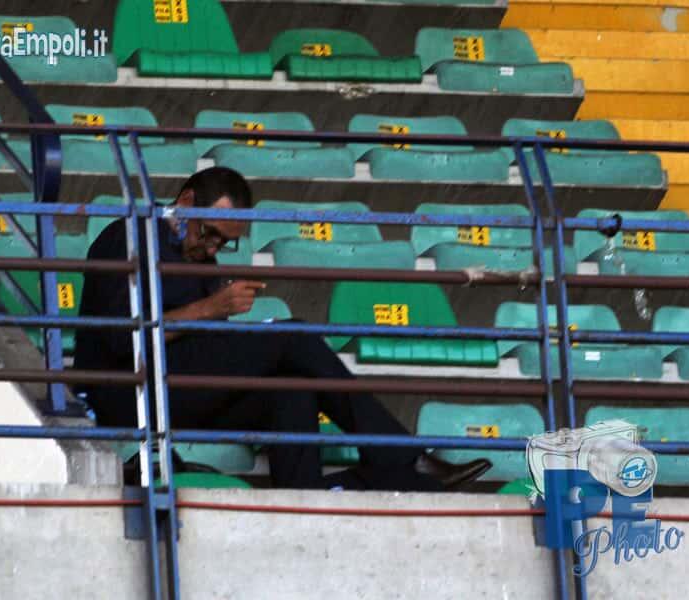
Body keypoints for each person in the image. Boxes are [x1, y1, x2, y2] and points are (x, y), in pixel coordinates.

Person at [74, 167, 491, 491]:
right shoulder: (128, 236)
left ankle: (301, 500)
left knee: (292, 386)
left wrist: (223, 321)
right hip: (128, 392)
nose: (213, 247)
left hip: (181, 387)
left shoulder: (202, 261)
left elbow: (203, 342)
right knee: (291, 336)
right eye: (210, 233)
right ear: (185, 202)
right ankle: (402, 458)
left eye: (224, 242)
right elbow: (122, 339)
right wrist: (211, 308)